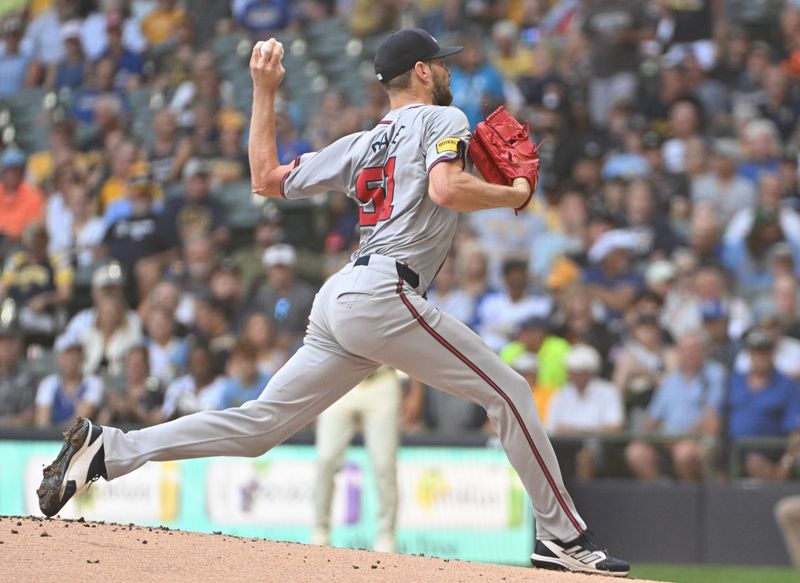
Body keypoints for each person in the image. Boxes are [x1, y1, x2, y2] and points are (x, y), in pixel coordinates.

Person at [37, 29, 629, 576]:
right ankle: (564, 540)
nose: (446, 74)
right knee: (511, 391)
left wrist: (263, 90)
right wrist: (515, 192)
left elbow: (264, 178)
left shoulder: (363, 143)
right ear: (422, 71)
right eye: (440, 65)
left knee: (257, 427)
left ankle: (110, 449)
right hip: (383, 294)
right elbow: (447, 188)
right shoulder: (445, 116)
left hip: (343, 296)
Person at [313, 366, 401, 554]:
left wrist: (416, 391)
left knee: (384, 464)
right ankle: (320, 530)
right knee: (325, 459)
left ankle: (386, 534)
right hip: (341, 375)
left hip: (381, 379)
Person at [625, 331, 726, 481]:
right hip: (667, 441)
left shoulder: (715, 374)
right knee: (635, 452)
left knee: (683, 453)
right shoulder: (670, 380)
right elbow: (652, 419)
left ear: (702, 351)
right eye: (685, 350)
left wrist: (679, 438)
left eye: (693, 349)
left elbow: (711, 420)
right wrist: (644, 436)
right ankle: (662, 494)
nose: (689, 354)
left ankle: (689, 501)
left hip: (699, 440)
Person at [726, 329, 800, 481]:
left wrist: (785, 464)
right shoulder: (734, 381)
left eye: (764, 352)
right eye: (756, 352)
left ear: (772, 353)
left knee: (756, 461)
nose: (760, 357)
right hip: (733, 450)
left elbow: (796, 431)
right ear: (749, 354)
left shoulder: (787, 385)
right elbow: (719, 416)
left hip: (770, 451)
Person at [547, 345, 624, 480]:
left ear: (590, 373)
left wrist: (578, 431)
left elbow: (615, 427)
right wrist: (584, 431)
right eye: (573, 372)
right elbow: (553, 427)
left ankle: (585, 497)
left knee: (584, 455)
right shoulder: (561, 394)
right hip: (563, 446)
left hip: (598, 447)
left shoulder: (608, 391)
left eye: (581, 372)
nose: (576, 376)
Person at [35, 336, 104, 428]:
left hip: (83, 440)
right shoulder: (48, 383)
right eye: (67, 354)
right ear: (59, 358)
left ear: (83, 358)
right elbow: (42, 422)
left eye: (76, 354)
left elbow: (80, 421)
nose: (72, 359)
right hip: (51, 439)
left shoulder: (93, 383)